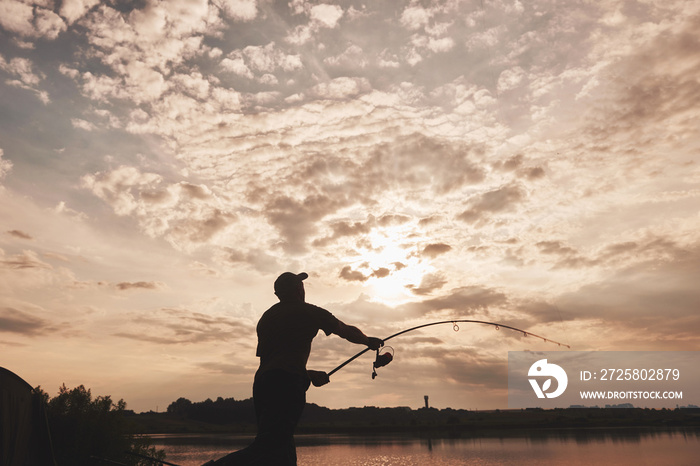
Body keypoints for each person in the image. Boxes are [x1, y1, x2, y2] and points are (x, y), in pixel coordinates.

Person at [204, 272, 383, 466]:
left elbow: (273, 361)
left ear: (278, 294)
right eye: (301, 285)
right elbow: (345, 330)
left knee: (284, 449)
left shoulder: (267, 317)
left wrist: (307, 375)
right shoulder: (309, 311)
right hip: (286, 384)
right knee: (269, 445)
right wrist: (368, 341)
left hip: (263, 383)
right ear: (299, 289)